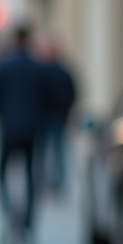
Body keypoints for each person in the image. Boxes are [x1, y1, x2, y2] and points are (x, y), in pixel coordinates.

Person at [0, 25, 54, 244]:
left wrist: (3, 112)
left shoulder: (3, 65)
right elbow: (53, 95)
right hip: (33, 129)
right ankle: (27, 223)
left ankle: (10, 213)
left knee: (0, 173)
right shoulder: (40, 67)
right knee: (32, 177)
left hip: (8, 128)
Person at [38, 40, 77, 194]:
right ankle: (54, 178)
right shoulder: (61, 72)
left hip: (53, 116)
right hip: (54, 116)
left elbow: (71, 93)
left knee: (51, 148)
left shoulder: (47, 72)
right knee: (55, 148)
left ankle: (52, 179)